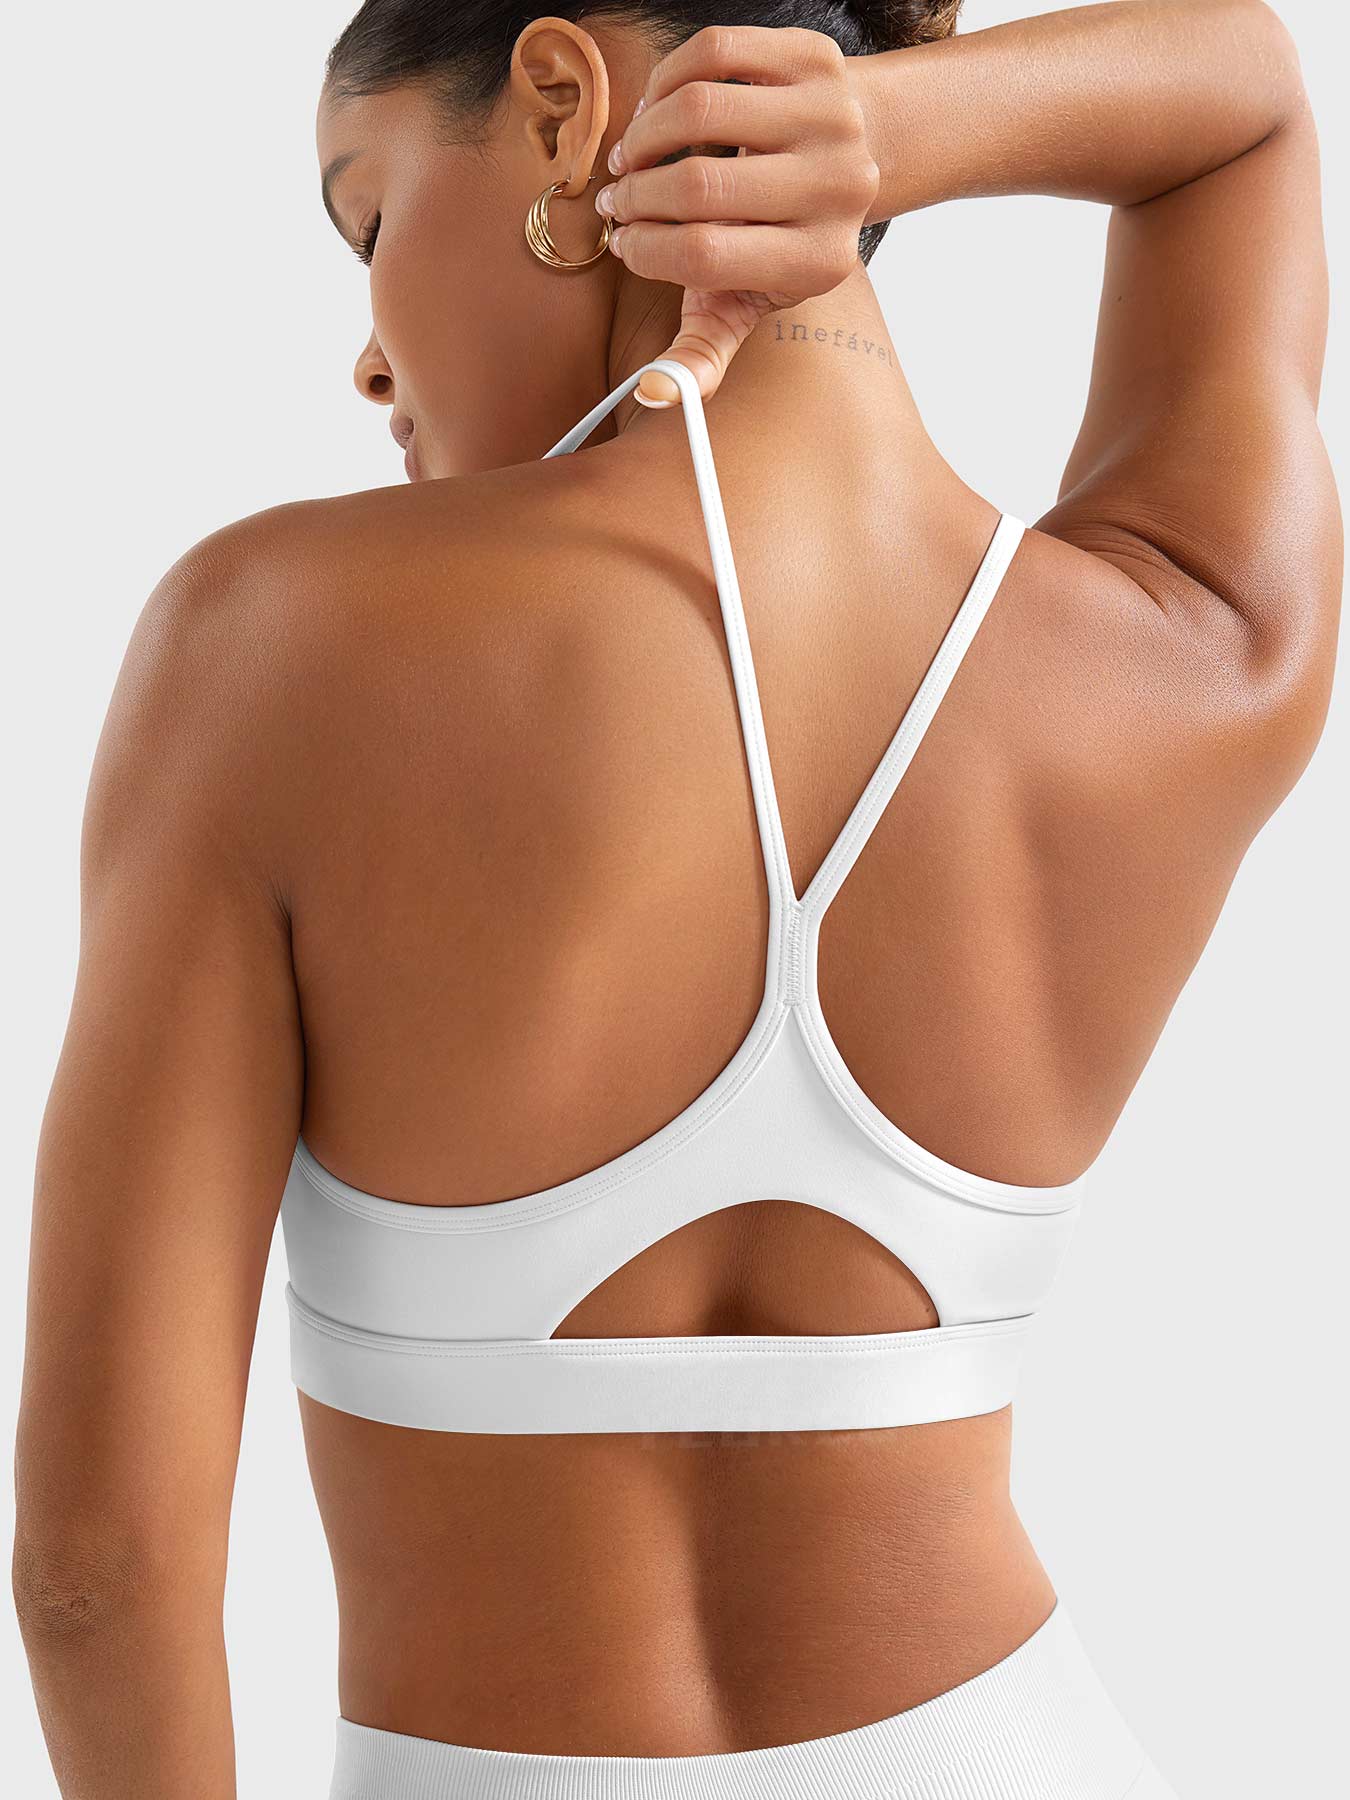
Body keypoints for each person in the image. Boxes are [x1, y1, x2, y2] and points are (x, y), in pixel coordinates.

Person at [13, 3, 1338, 1797]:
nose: (369, 361)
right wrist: (887, 135)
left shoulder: (272, 646)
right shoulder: (1180, 647)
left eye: (369, 218)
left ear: (561, 112)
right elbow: (1246, 107)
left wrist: (846, 133)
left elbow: (99, 1571)